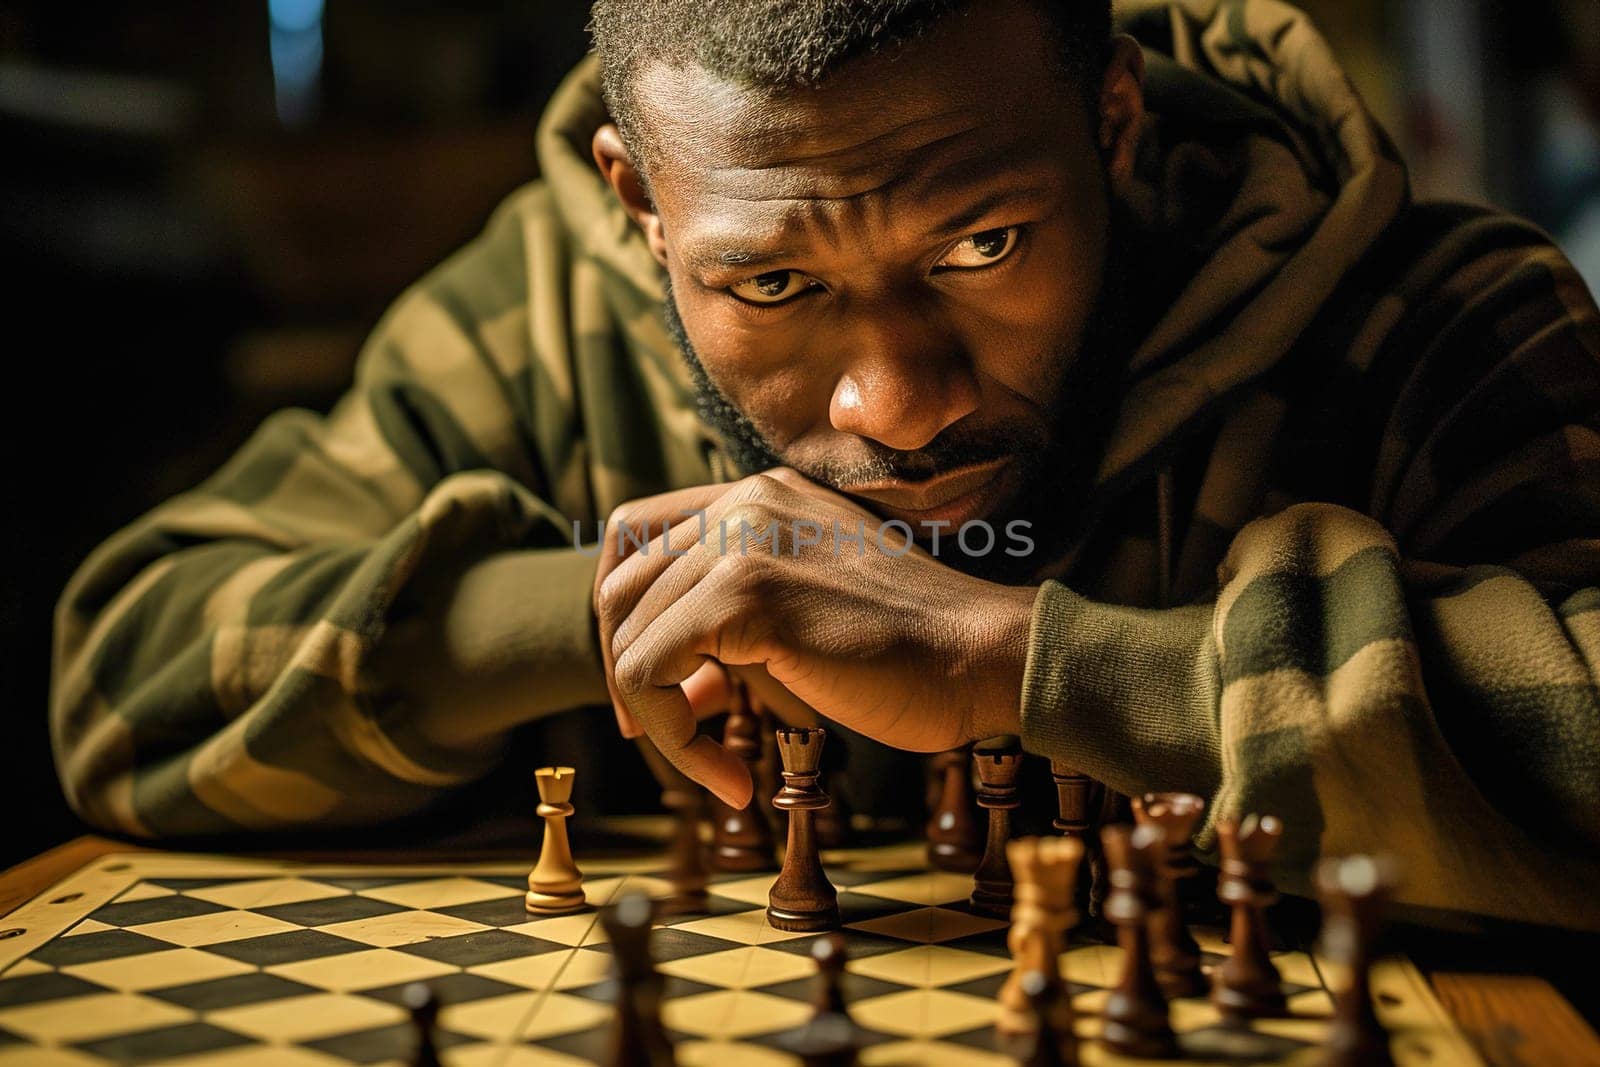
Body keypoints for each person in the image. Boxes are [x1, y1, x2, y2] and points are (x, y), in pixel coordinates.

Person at [51, 0, 1600, 927]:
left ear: (1112, 123)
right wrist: (611, 604)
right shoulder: (533, 319)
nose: (897, 403)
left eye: (983, 244)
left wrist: (1032, 660)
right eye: (771, 284)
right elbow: (126, 684)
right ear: (638, 205)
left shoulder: (1437, 321)